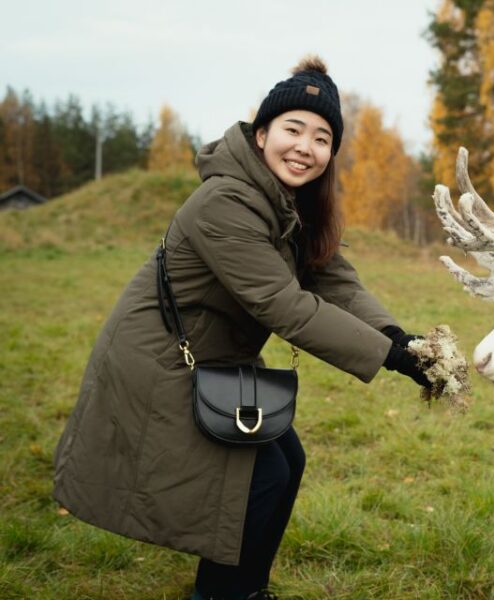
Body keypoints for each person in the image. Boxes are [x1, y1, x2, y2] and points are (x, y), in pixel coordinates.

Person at [53, 56, 431, 600]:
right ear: (261, 135)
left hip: (215, 359)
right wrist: (388, 358)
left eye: (322, 138)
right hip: (162, 361)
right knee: (261, 476)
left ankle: (245, 589)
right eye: (293, 130)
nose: (305, 147)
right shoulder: (226, 201)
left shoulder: (289, 203)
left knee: (287, 461)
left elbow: (335, 281)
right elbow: (284, 304)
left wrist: (398, 338)